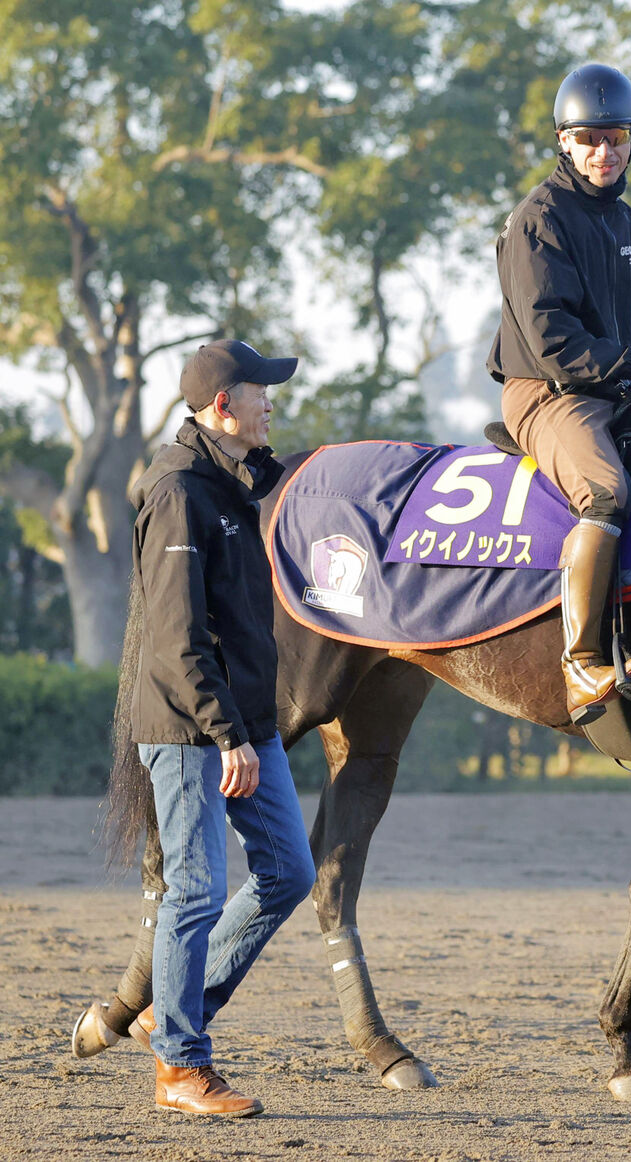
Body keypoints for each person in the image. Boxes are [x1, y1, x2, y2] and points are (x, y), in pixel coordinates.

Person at [125, 339, 315, 1116]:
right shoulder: (177, 493)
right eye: (260, 391)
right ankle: (179, 1069)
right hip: (189, 730)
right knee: (197, 890)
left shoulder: (228, 481)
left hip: (246, 724)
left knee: (289, 873)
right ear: (221, 406)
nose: (273, 401)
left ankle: (176, 1011)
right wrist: (225, 734)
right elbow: (175, 639)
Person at [487, 62, 631, 725]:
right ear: (564, 143)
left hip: (611, 389)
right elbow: (553, 343)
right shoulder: (538, 219)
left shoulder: (624, 221)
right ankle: (581, 664)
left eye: (618, 139)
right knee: (606, 490)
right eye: (590, 140)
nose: (605, 153)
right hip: (547, 393)